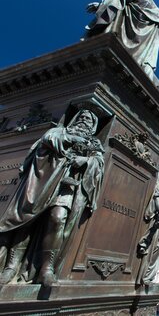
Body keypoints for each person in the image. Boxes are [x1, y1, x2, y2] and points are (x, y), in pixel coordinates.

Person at [0, 109, 104, 287]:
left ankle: (46, 269)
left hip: (67, 186)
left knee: (58, 219)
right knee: (27, 221)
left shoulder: (93, 142)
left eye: (88, 119)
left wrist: (85, 161)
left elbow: (99, 161)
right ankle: (11, 266)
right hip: (45, 179)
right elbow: (47, 139)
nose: (84, 120)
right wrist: (71, 139)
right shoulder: (61, 131)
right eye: (82, 117)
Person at [85, 0, 159, 73]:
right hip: (157, 29)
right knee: (145, 60)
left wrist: (101, 5)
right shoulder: (158, 16)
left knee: (120, 7)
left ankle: (110, 40)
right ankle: (146, 69)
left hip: (148, 26)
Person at [136, 168, 159, 285]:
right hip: (158, 217)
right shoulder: (156, 185)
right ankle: (145, 275)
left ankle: (148, 274)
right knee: (156, 244)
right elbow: (155, 198)